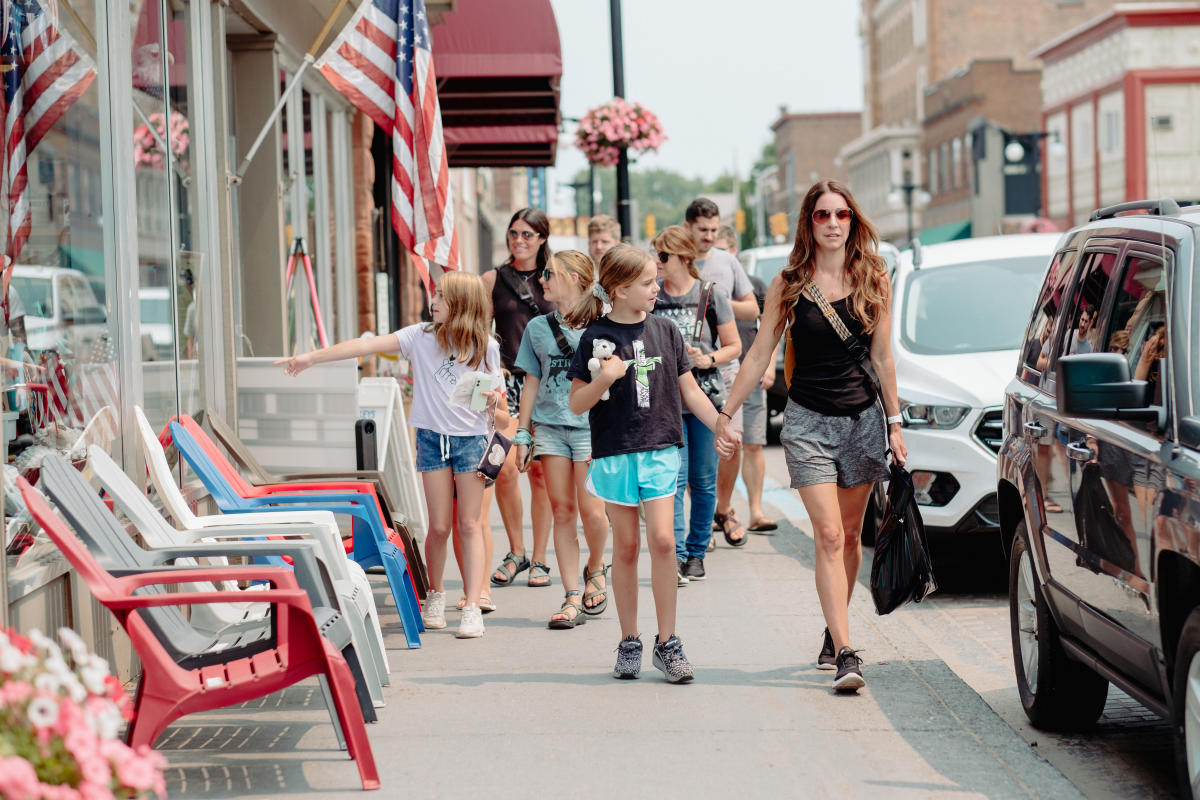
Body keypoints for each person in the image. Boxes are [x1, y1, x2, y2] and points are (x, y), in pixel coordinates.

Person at [715, 180, 907, 693]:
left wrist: (895, 423)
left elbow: (883, 358)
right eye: (822, 215)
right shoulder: (790, 283)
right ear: (809, 222)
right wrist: (727, 412)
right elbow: (760, 353)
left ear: (852, 220)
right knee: (825, 534)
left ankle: (832, 628)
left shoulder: (873, 278)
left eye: (841, 214)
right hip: (806, 422)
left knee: (848, 535)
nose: (832, 223)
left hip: (863, 420)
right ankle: (847, 652)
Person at [276, 271, 504, 640]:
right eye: (436, 294)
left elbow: (498, 400)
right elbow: (362, 347)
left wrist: (494, 399)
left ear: (461, 304)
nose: (435, 301)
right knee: (440, 526)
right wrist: (311, 358)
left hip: (471, 440)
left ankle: (473, 604)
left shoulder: (486, 346)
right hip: (432, 439)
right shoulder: (419, 336)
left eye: (443, 296)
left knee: (470, 524)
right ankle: (435, 593)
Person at [565, 244, 735, 682]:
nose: (656, 288)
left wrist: (720, 425)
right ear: (619, 290)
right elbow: (577, 404)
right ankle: (629, 641)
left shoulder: (666, 332)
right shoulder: (593, 338)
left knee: (662, 541)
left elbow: (691, 392)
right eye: (646, 283)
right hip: (615, 451)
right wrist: (604, 376)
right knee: (625, 547)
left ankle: (668, 642)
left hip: (661, 447)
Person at [512, 250, 611, 628]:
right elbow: (531, 381)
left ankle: (596, 566)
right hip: (550, 428)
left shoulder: (603, 325)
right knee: (563, 511)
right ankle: (571, 596)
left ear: (573, 277)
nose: (543, 280)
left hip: (590, 427)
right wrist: (523, 432)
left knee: (594, 513)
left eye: (550, 273)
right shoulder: (538, 327)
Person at [650, 226, 741, 582]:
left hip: (703, 395)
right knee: (673, 480)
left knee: (704, 481)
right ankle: (677, 554)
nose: (656, 263)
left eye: (662, 256)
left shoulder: (709, 295)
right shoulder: (652, 296)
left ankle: (697, 550)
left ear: (684, 258)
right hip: (664, 400)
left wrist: (707, 359)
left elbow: (734, 345)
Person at [482, 209, 555, 590]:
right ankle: (517, 551)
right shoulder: (493, 279)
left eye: (528, 234)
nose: (519, 240)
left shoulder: (555, 276)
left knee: (542, 474)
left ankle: (541, 557)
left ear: (542, 238)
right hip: (508, 383)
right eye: (513, 233)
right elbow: (474, 327)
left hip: (548, 384)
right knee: (506, 469)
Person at [685, 198, 758, 547]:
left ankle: (723, 510)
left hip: (725, 365)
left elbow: (753, 309)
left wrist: (718, 301)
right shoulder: (675, 261)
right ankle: (703, 515)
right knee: (694, 446)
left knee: (732, 441)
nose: (709, 236)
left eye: (714, 230)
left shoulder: (727, 261)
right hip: (686, 370)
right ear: (688, 227)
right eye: (703, 230)